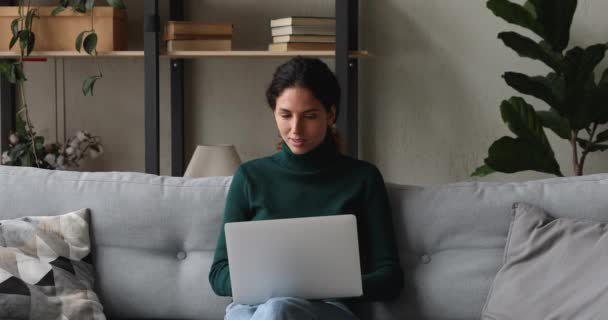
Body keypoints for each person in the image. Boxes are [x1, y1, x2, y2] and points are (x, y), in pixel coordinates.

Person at [208, 56, 403, 319]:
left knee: (280, 309)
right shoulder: (249, 177)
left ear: (330, 114)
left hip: (329, 309)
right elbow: (219, 272)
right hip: (251, 309)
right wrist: (267, 288)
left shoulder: (362, 178)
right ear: (274, 112)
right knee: (272, 309)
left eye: (310, 116)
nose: (295, 129)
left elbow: (389, 276)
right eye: (285, 115)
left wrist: (325, 287)